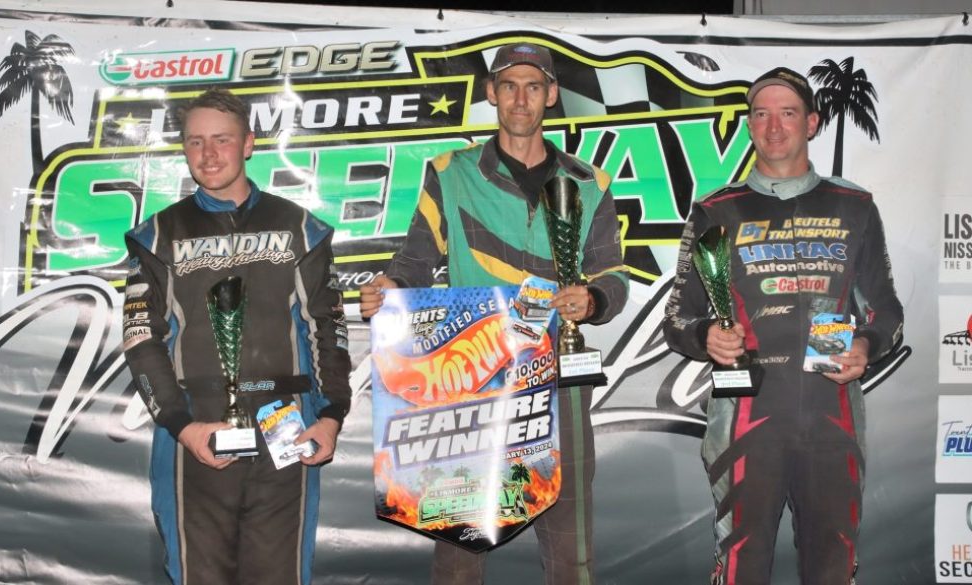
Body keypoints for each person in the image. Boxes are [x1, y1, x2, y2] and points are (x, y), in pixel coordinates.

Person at [360, 43, 629, 585]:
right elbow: (415, 261)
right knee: (460, 550)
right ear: (491, 95)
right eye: (509, 86)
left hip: (559, 382)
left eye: (533, 86)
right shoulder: (450, 172)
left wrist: (594, 300)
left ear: (551, 95)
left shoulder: (591, 183)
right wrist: (390, 286)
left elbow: (614, 276)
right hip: (471, 382)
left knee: (571, 549)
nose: (521, 98)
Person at [663, 67, 904, 584]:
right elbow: (677, 317)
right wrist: (706, 335)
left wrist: (865, 343)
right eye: (761, 114)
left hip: (833, 421)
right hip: (745, 423)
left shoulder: (854, 206)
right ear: (749, 125)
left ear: (812, 123)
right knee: (741, 567)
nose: (774, 126)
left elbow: (888, 312)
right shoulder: (715, 210)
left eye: (788, 113)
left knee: (833, 567)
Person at [122, 88, 351, 585]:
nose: (208, 155)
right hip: (197, 433)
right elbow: (142, 342)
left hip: (286, 429)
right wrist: (182, 426)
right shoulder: (158, 236)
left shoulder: (300, 229)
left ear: (248, 143)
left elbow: (327, 327)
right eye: (195, 142)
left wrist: (331, 415)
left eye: (221, 140)